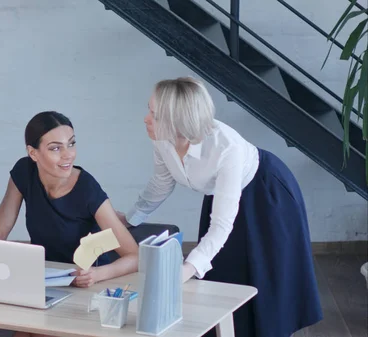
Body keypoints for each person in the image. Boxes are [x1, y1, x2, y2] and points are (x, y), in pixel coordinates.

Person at [117, 77, 323, 337]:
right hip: (221, 195)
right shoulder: (161, 138)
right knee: (224, 275)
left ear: (178, 122)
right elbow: (161, 182)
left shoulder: (227, 147)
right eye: (149, 110)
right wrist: (132, 218)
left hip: (267, 195)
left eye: (155, 115)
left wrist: (186, 270)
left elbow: (222, 224)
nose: (146, 119)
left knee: (269, 278)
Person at [0, 111, 138, 290]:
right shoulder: (24, 172)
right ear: (33, 153)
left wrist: (96, 274)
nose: (68, 154)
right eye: (55, 148)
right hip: (46, 277)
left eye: (71, 144)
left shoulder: (87, 188)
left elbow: (134, 256)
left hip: (86, 283)